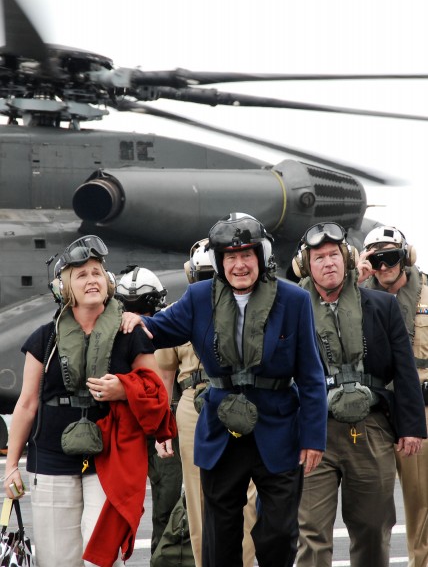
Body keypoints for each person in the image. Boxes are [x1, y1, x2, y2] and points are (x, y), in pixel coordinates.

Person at [122, 213, 328, 567]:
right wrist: (132, 321)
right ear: (219, 262)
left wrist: (314, 438)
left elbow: (311, 375)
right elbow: (159, 330)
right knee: (221, 534)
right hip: (221, 431)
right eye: (230, 257)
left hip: (278, 429)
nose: (239, 265)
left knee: (279, 533)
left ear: (260, 257)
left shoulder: (292, 299)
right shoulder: (200, 297)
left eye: (247, 255)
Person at [3, 235, 176, 567]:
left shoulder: (130, 334)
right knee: (56, 559)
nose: (91, 280)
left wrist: (123, 389)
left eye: (97, 272)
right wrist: (11, 467)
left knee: (102, 559)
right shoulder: (44, 338)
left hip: (109, 460)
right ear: (65, 286)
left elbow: (155, 391)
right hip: (51, 460)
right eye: (81, 275)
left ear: (108, 281)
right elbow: (26, 405)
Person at [291, 221, 427, 567]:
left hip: (371, 427)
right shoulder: (291, 309)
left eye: (334, 254)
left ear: (347, 259)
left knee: (372, 528)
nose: (328, 263)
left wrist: (411, 427)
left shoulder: (381, 306)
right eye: (318, 257)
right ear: (307, 265)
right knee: (312, 532)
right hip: (313, 432)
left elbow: (404, 370)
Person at [155, 239, 257, 567]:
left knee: (249, 499)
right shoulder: (182, 311)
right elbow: (166, 376)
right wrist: (162, 427)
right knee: (199, 502)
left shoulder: (249, 308)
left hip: (241, 400)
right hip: (192, 403)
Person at [358, 225, 428, 567]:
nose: (384, 267)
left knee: (421, 504)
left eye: (391, 258)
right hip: (376, 412)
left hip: (421, 408)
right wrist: (356, 278)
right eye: (376, 259)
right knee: (374, 507)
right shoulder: (354, 299)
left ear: (406, 258)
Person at [115, 265, 183, 558]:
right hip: (127, 428)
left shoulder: (170, 332)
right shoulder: (111, 335)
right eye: (130, 307)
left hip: (160, 429)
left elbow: (171, 380)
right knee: (116, 506)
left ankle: (161, 560)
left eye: (142, 306)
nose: (136, 314)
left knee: (166, 507)